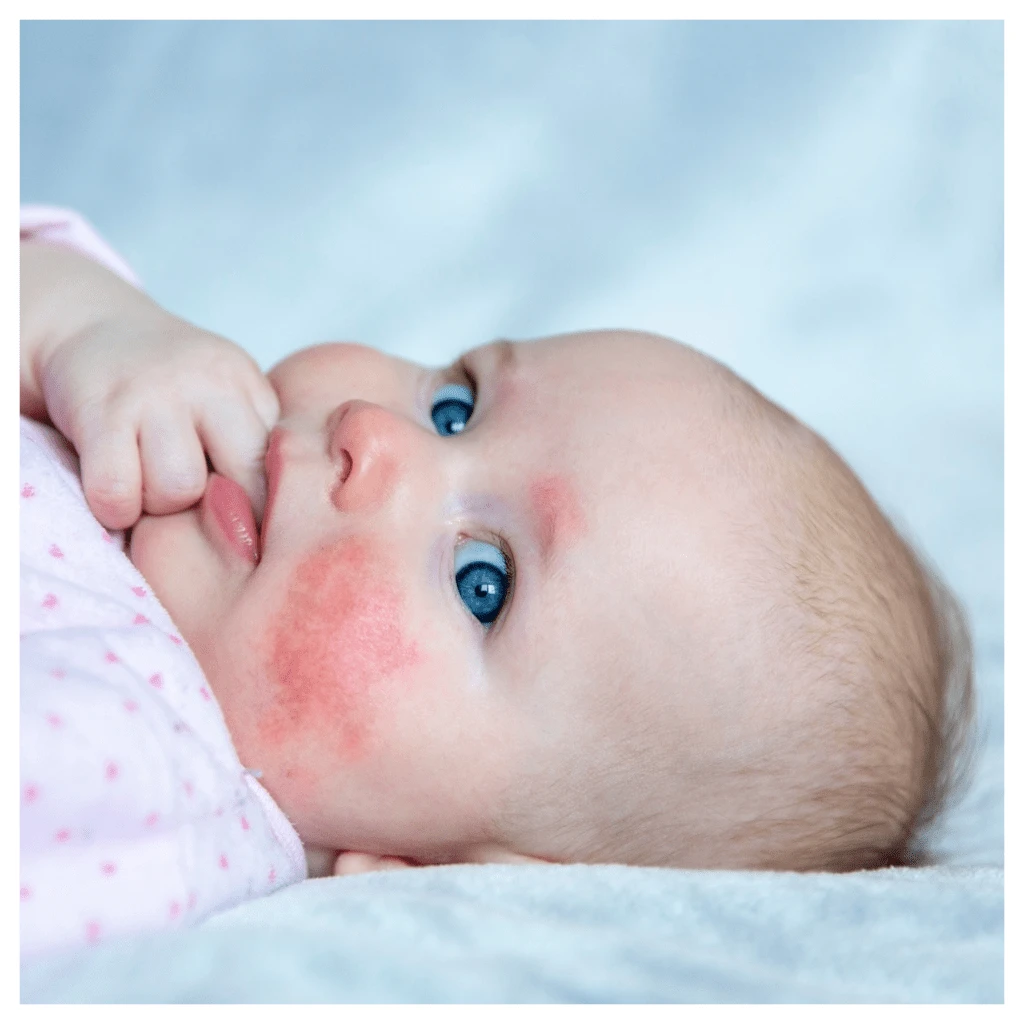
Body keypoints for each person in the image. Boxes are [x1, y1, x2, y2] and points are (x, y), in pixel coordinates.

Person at [20, 206, 975, 957]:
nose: (371, 434)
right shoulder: (144, 379)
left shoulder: (150, 782)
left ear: (427, 869)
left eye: (483, 581)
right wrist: (83, 320)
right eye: (455, 405)